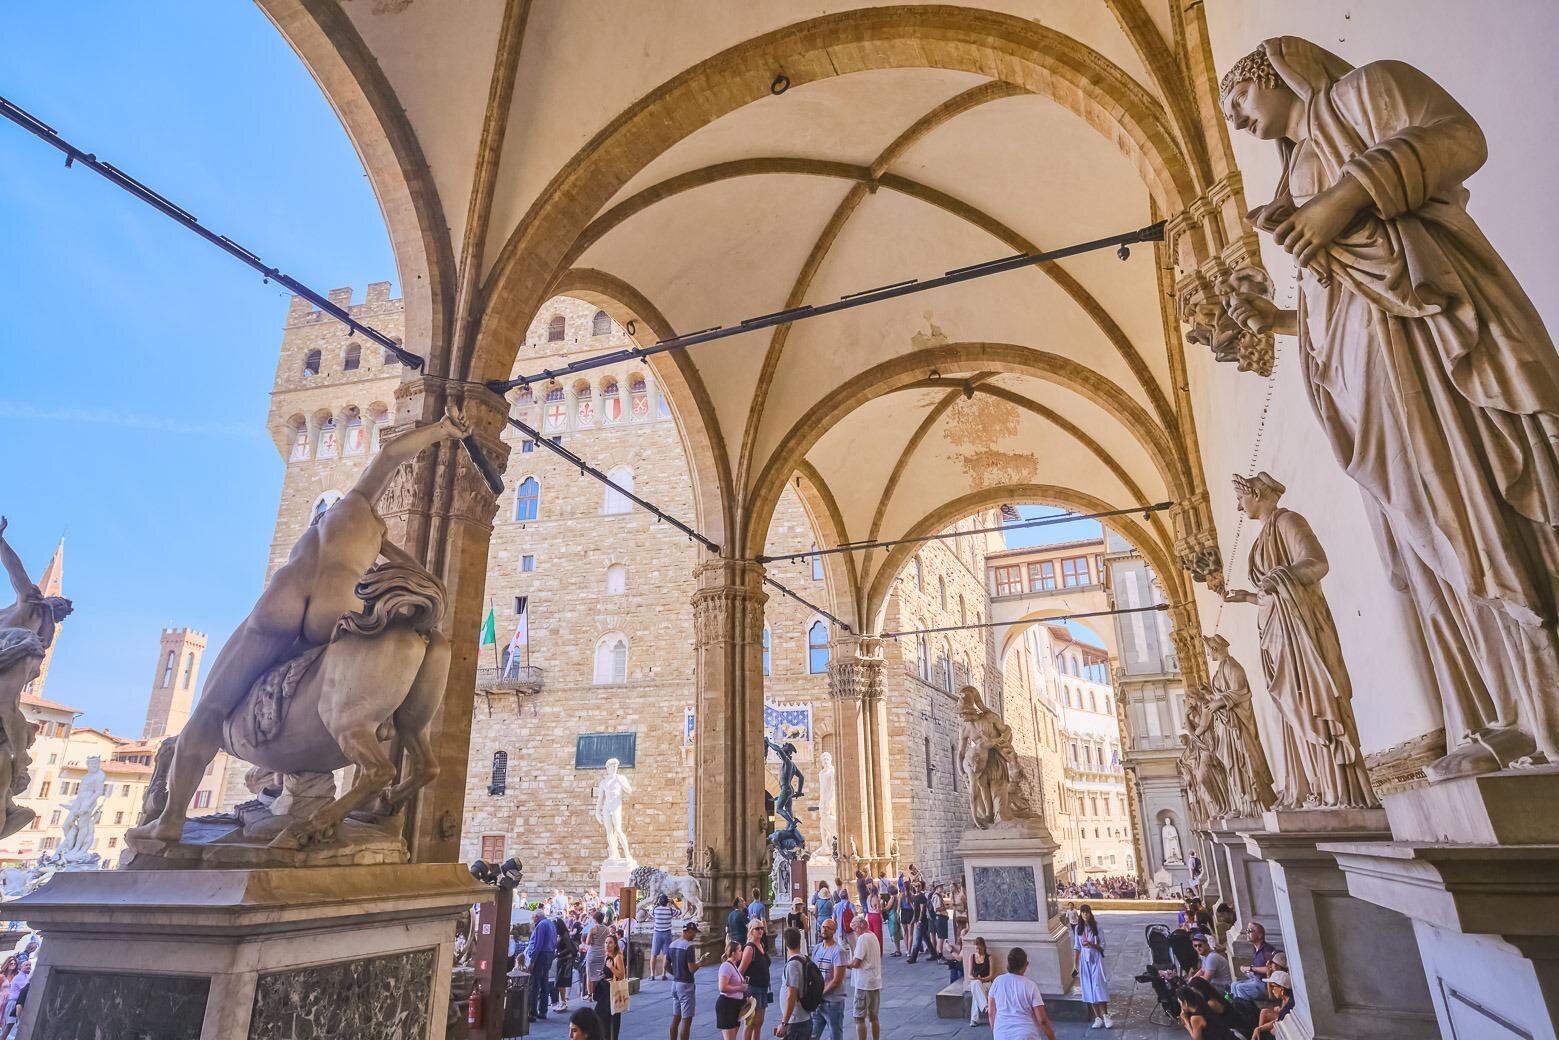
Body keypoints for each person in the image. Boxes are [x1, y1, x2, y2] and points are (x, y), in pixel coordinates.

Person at [986, 947, 1056, 1040]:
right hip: (1026, 1034)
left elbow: (991, 1013)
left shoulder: (997, 981)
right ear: (1025, 965)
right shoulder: (1030, 986)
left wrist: (997, 1031)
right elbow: (1042, 1020)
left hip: (1001, 1034)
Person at [1072, 905, 1112, 1029]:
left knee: (1098, 986)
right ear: (1080, 914)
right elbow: (1077, 947)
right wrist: (1075, 964)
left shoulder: (1097, 927)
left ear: (1090, 913)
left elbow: (1103, 945)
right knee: (1088, 987)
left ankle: (1105, 1015)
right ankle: (1097, 1017)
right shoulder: (1078, 928)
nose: (1085, 914)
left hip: (1096, 959)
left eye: (1087, 912)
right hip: (1085, 960)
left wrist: (1092, 944)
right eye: (1083, 912)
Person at [845, 913, 882, 1040]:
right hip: (875, 982)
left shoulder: (862, 939)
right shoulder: (873, 936)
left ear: (859, 928)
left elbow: (856, 962)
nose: (854, 933)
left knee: (859, 1017)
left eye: (854, 929)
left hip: (864, 983)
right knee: (873, 1016)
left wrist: (846, 964)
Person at [809, 917, 848, 1040]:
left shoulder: (838, 952)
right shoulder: (817, 948)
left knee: (835, 1035)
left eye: (828, 928)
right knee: (812, 1034)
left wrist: (819, 995)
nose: (824, 930)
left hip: (833, 1001)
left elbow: (837, 980)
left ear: (834, 931)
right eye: (823, 927)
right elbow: (812, 973)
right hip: (818, 1001)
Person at [774, 926, 812, 1040]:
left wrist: (784, 1023)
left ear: (786, 944)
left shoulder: (793, 965)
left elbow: (792, 995)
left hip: (796, 1019)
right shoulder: (804, 959)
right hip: (801, 1017)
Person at [667, 921, 702, 1040]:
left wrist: (676, 973)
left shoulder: (672, 944)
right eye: (694, 932)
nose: (695, 935)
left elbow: (666, 965)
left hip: (675, 983)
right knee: (686, 1021)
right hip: (686, 985)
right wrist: (700, 963)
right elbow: (691, 969)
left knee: (676, 1018)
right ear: (689, 931)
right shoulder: (688, 947)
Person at [741, 917, 774, 1040]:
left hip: (763, 988)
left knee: (759, 1022)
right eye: (757, 928)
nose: (760, 931)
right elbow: (741, 970)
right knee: (750, 1023)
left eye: (762, 928)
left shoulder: (761, 944)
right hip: (753, 989)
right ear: (751, 931)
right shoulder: (749, 948)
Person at [1230, 922, 1280, 1000]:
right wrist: (1247, 970)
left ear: (1260, 935)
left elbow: (1272, 969)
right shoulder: (1256, 948)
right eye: (1247, 930)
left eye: (1250, 931)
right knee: (1234, 985)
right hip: (1257, 980)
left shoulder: (1267, 950)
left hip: (1266, 984)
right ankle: (1235, 1005)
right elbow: (1257, 969)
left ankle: (1245, 1007)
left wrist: (1251, 968)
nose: (1247, 933)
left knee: (1240, 988)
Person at [717, 940, 751, 1040]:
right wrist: (740, 988)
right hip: (727, 1005)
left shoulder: (733, 966)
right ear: (733, 953)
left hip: (735, 1005)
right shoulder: (726, 966)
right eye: (739, 950)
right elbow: (722, 987)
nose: (742, 952)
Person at [597, 930, 626, 1040]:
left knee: (612, 1020)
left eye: (610, 943)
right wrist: (603, 972)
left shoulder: (617, 957)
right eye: (606, 942)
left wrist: (611, 967)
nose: (607, 945)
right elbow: (608, 972)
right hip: (604, 990)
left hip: (613, 991)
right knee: (600, 1017)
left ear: (615, 944)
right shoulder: (607, 956)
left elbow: (621, 975)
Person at [1251, 971, 1296, 1038]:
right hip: (1283, 1021)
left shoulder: (1288, 1007)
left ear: (1281, 989)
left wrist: (1260, 1028)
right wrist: (1259, 1029)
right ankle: (1260, 1035)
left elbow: (1277, 1021)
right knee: (1264, 1012)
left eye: (1272, 986)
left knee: (1272, 1030)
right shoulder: (1287, 997)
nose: (1271, 989)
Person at [554, 915, 578, 1013]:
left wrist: (559, 954)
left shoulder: (564, 935)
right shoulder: (562, 934)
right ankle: (562, 1001)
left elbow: (569, 948)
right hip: (563, 959)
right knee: (560, 982)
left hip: (565, 960)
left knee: (560, 981)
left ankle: (563, 1002)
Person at [651, 894, 677, 980]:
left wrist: (656, 904)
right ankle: (663, 974)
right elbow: (680, 912)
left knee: (654, 954)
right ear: (667, 902)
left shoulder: (655, 910)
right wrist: (673, 903)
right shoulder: (670, 910)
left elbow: (650, 912)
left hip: (657, 933)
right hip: (667, 934)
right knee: (666, 954)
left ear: (660, 901)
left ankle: (652, 975)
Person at [967, 936, 992, 1027]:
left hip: (986, 983)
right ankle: (985, 1006)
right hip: (975, 981)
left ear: (984, 947)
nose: (978, 950)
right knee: (976, 984)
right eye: (976, 948)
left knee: (976, 992)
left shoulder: (989, 958)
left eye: (979, 948)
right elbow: (969, 975)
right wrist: (975, 979)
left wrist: (982, 979)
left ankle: (974, 1019)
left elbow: (991, 975)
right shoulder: (972, 957)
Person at [882, 886, 903, 957]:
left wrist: (882, 907)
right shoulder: (897, 897)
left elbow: (888, 907)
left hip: (892, 915)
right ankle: (897, 950)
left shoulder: (892, 898)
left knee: (894, 933)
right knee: (896, 932)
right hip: (895, 914)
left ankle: (898, 950)